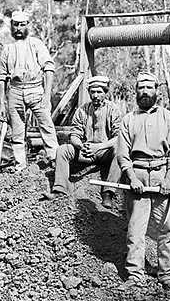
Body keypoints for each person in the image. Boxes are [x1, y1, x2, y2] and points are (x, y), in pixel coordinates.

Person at [116, 72, 170, 292]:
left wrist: (169, 177)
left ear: (157, 91)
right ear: (135, 92)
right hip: (138, 177)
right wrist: (132, 177)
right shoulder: (128, 120)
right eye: (140, 88)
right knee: (135, 230)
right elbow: (123, 154)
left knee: (165, 230)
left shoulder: (168, 117)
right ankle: (135, 274)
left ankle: (167, 274)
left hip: (162, 174)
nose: (144, 92)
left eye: (149, 87)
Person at [44, 75, 122, 209]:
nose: (96, 95)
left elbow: (119, 137)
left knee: (120, 151)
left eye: (99, 92)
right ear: (89, 93)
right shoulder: (82, 110)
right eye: (93, 92)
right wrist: (80, 145)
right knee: (62, 150)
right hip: (87, 151)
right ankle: (60, 189)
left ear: (105, 92)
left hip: (106, 151)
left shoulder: (113, 109)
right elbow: (74, 134)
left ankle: (108, 192)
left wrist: (99, 147)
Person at [0, 10, 59, 171]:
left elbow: (49, 68)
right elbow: (2, 77)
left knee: (46, 124)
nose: (18, 28)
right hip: (15, 91)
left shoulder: (36, 44)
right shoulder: (7, 49)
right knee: (17, 131)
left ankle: (54, 158)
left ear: (27, 26)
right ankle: (20, 165)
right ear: (11, 26)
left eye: (22, 25)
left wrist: (46, 95)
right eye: (16, 25)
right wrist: (1, 104)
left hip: (35, 88)